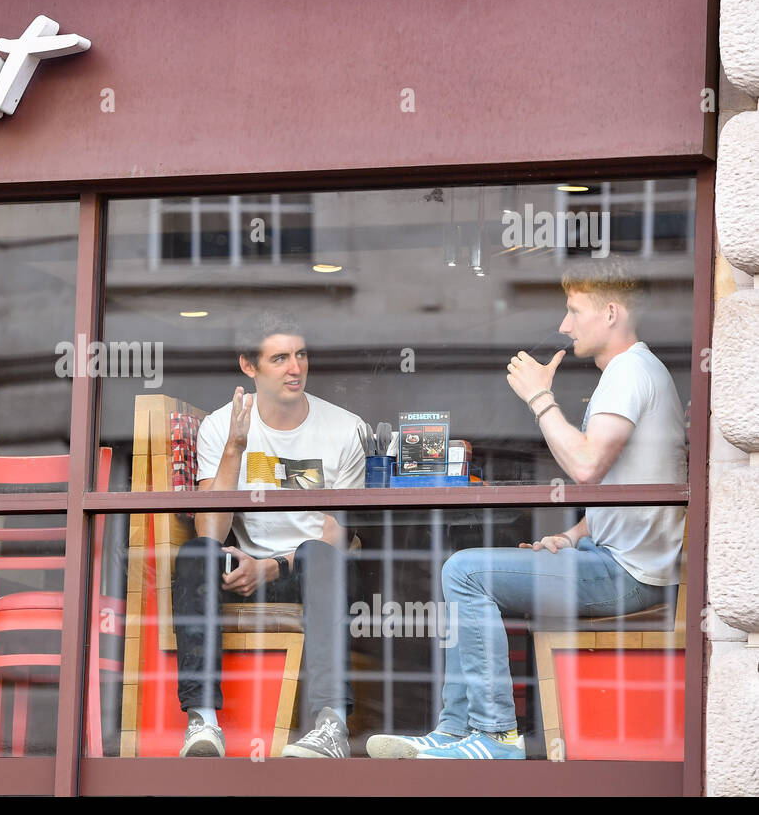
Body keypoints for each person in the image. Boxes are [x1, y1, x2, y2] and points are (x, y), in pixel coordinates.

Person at [367, 259, 685, 760]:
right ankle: (453, 732)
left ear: (610, 312)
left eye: (573, 310)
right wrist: (576, 534)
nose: (564, 324)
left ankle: (494, 736)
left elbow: (586, 466)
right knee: (466, 573)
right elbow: (631, 486)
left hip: (629, 574)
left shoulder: (628, 373)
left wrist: (539, 396)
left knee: (465, 572)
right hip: (615, 559)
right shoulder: (637, 371)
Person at [175, 312, 366, 758]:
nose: (295, 368)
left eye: (300, 355)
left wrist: (273, 566)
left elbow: (337, 536)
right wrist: (235, 450)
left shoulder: (345, 428)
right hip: (241, 566)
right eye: (279, 358)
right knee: (193, 555)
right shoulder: (222, 425)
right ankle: (202, 722)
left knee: (321, 556)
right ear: (249, 366)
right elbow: (210, 531)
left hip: (307, 566)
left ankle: (330, 724)